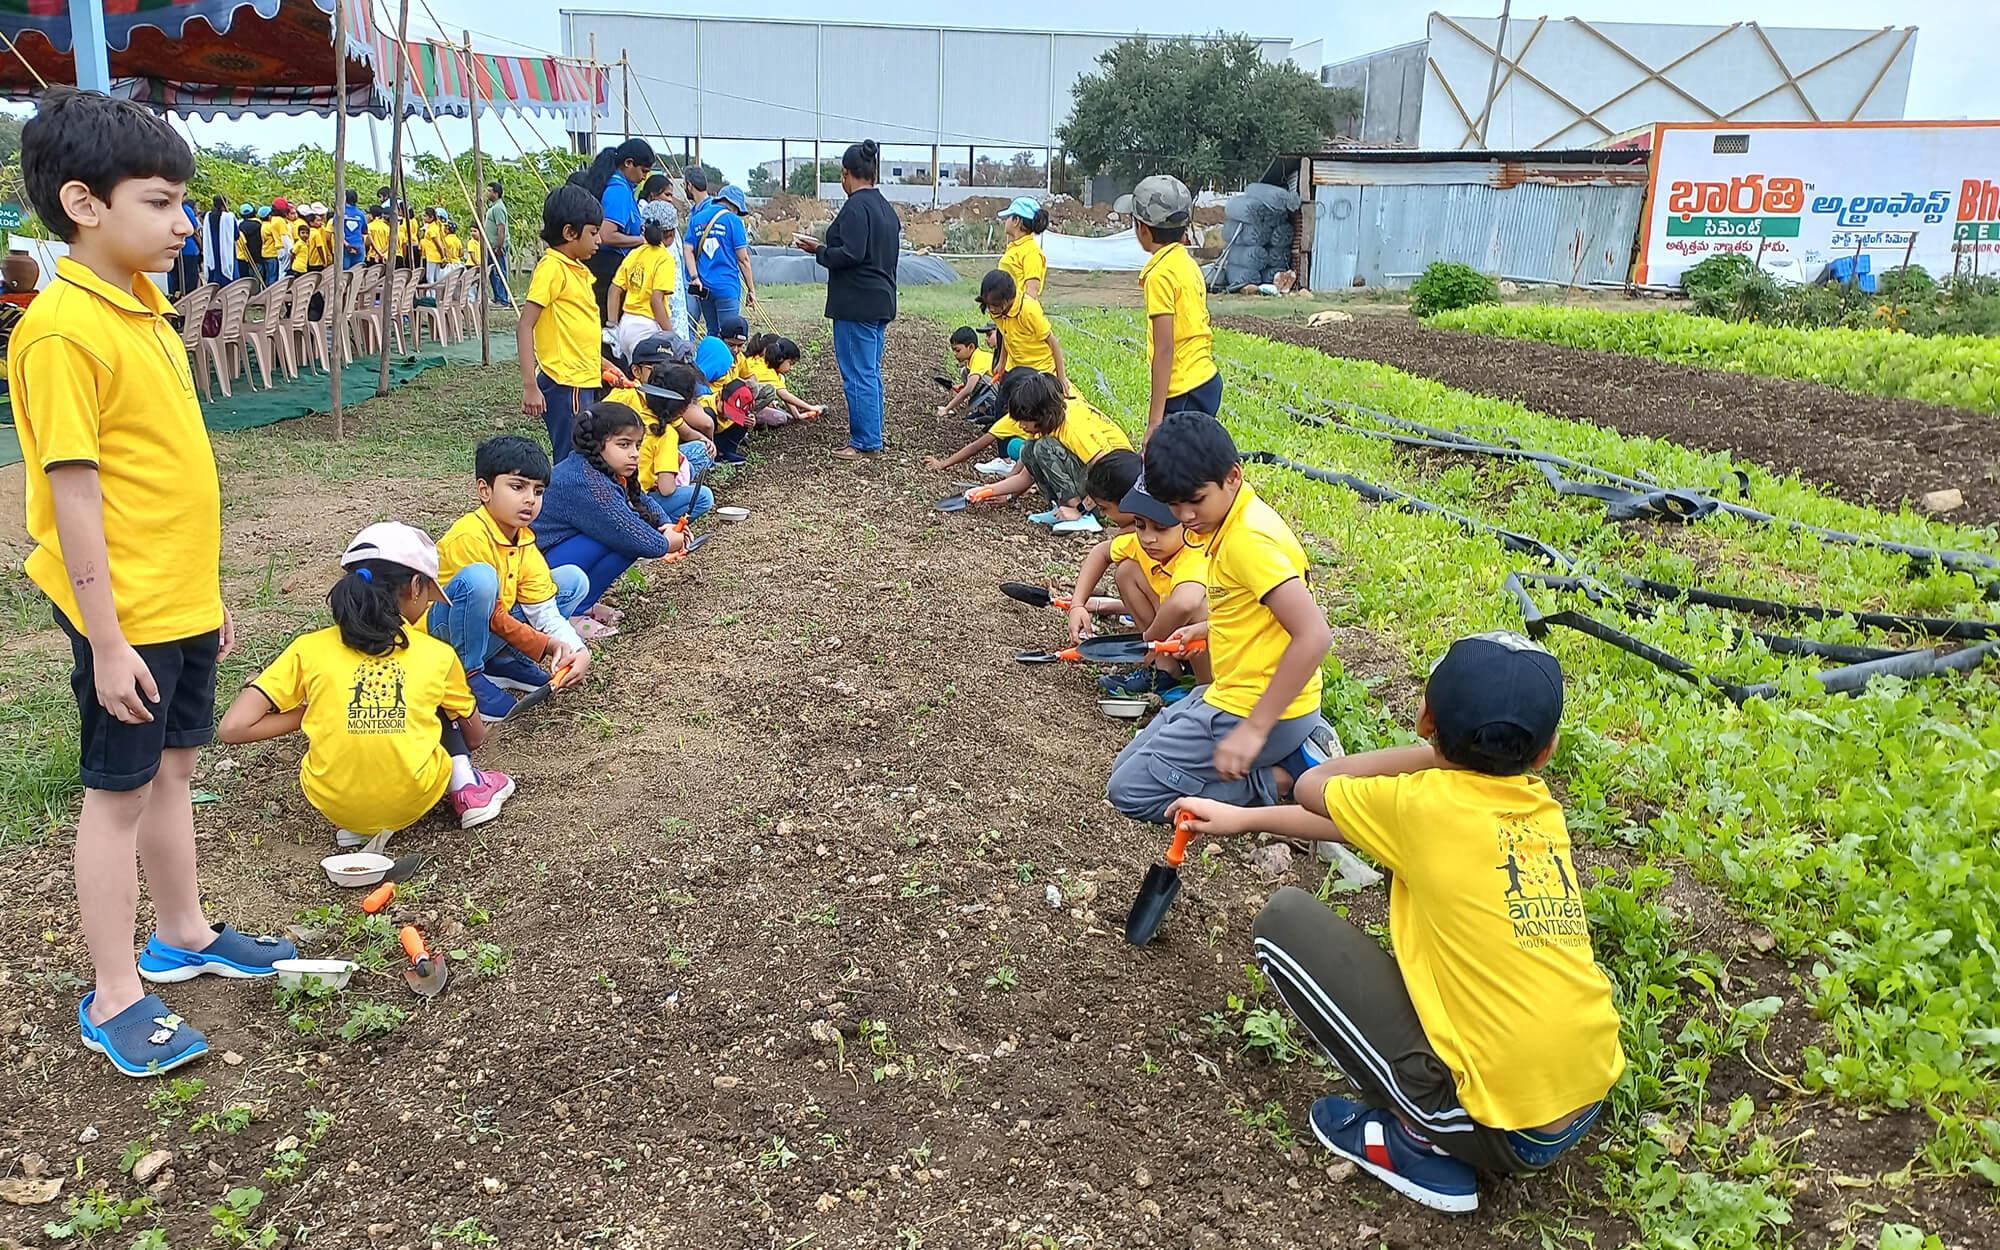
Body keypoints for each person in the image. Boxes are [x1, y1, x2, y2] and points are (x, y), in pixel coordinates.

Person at [13, 88, 297, 1077]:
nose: (185, 224)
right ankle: (115, 989)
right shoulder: (60, 332)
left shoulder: (146, 308)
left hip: (173, 598)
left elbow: (169, 475)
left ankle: (182, 930)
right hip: (120, 612)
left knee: (174, 768)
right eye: (162, 202)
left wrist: (205, 588)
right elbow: (75, 498)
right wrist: (110, 638)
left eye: (184, 203)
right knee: (117, 794)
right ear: (84, 203)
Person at [1170, 633, 1624, 1214]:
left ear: (1425, 718)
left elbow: (1317, 785)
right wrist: (1245, 818)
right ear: (1545, 752)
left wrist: (1430, 750)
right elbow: (1369, 826)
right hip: (1584, 1092)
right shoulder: (1538, 809)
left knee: (1283, 920)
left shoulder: (1422, 806)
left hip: (1505, 1130)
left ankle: (1416, 1140)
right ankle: (1449, 1118)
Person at [218, 523, 516, 847]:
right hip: (414, 798)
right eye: (429, 595)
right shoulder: (437, 655)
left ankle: (363, 821)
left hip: (337, 807)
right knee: (438, 704)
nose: (428, 604)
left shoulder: (308, 649)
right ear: (415, 587)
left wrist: (314, 711)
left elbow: (233, 728)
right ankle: (468, 786)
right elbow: (474, 737)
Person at [1106, 412, 1335, 821]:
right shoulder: (1233, 519)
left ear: (1232, 476)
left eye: (1195, 501)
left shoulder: (1247, 541)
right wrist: (1207, 629)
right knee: (1125, 767)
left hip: (1258, 708)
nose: (1187, 516)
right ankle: (1282, 754)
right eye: (1176, 505)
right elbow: (1258, 613)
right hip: (1233, 692)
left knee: (1128, 793)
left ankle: (1281, 778)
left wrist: (1254, 730)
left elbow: (1314, 635)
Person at [429, 436, 592, 721]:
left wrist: (577, 650)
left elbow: (544, 610)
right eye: (517, 487)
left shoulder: (523, 540)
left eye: (538, 491)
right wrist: (546, 645)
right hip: (443, 637)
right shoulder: (469, 535)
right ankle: (467, 674)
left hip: (485, 629)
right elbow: (493, 616)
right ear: (485, 490)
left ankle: (501, 660)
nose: (530, 499)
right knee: (480, 580)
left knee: (571, 581)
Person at [1068, 456, 1209, 698]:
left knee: (1197, 609)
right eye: (1140, 524)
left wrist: (1148, 639)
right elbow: (1101, 553)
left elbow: (1185, 602)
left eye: (1161, 528)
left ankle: (1205, 693)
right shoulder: (1142, 543)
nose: (1148, 537)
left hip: (1219, 648)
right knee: (1127, 572)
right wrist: (1077, 604)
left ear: (1188, 523)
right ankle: (1165, 668)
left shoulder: (1194, 551)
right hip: (1177, 640)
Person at [536, 403, 691, 621]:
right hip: (534, 567)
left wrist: (666, 524)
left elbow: (641, 499)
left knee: (625, 536)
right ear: (598, 443)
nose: (634, 454)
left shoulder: (601, 468)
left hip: (558, 553)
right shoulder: (585, 480)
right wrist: (667, 543)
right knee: (621, 538)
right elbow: (631, 532)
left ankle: (583, 604)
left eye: (637, 445)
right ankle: (573, 613)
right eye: (624, 444)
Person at [796, 139, 898, 460]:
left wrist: (819, 251)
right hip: (880, 299)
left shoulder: (856, 206)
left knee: (858, 372)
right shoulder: (885, 208)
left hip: (856, 302)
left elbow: (853, 253)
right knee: (870, 371)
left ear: (846, 174)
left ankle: (865, 440)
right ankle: (873, 433)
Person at [972, 370, 1128, 534]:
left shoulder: (1073, 426)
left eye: (1024, 420)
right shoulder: (1050, 422)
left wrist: (1081, 509)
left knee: (1043, 447)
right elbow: (1024, 477)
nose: (1021, 426)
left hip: (1114, 489)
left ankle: (1083, 516)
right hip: (1097, 482)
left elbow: (1106, 470)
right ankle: (1063, 509)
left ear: (1040, 414)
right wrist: (987, 490)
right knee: (1028, 449)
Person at [518, 183, 604, 461]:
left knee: (582, 453)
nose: (599, 241)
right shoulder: (552, 268)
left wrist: (603, 364)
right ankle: (561, 503)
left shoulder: (577, 269)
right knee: (572, 456)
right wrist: (531, 385)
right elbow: (525, 325)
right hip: (566, 382)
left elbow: (577, 329)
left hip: (582, 378)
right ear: (569, 232)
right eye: (593, 233)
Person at [1134, 174, 1221, 433]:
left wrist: (1154, 423)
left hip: (1183, 391)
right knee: (1195, 464)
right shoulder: (1186, 263)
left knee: (1170, 468)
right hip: (1205, 379)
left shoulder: (1159, 275)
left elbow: (1164, 350)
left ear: (1143, 229)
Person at [574, 138, 654, 319]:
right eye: (643, 171)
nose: (644, 177)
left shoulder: (624, 188)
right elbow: (606, 234)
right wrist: (641, 240)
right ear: (628, 163)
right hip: (607, 268)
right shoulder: (618, 190)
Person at [634, 375, 717, 524]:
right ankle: (661, 527)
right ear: (683, 408)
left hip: (626, 491)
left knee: (689, 465)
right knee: (704, 496)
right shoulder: (666, 434)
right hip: (640, 499)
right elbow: (666, 489)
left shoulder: (640, 415)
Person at [608, 199, 679, 363]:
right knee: (650, 379)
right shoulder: (665, 259)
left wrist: (612, 326)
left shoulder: (634, 253)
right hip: (646, 327)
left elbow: (614, 289)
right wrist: (672, 336)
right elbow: (656, 300)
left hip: (625, 324)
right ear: (671, 233)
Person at [977, 269, 1069, 396]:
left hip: (1038, 371)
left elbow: (1053, 342)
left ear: (1008, 299)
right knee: (1002, 405)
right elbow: (1005, 334)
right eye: (988, 305)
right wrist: (1002, 363)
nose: (991, 309)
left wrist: (1061, 378)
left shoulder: (1028, 311)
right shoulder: (997, 312)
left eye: (995, 305)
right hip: (1015, 368)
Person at [684, 183, 754, 338]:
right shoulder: (734, 221)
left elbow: (687, 249)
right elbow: (743, 259)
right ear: (735, 205)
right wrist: (751, 289)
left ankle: (712, 361)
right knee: (730, 335)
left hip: (704, 288)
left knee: (713, 332)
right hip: (726, 287)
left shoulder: (697, 218)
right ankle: (726, 363)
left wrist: (694, 277)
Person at [937, 324, 994, 419]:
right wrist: (963, 386)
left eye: (957, 350)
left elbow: (969, 390)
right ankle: (982, 411)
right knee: (965, 372)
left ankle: (991, 411)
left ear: (971, 347)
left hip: (1002, 394)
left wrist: (947, 409)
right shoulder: (971, 362)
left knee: (975, 378)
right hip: (995, 388)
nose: (955, 354)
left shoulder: (979, 358)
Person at [997, 196, 1049, 300]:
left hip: (1020, 315)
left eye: (1008, 217)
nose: (1005, 221)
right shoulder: (1016, 248)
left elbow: (1031, 293)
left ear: (1016, 220)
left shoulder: (1032, 252)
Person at [483, 179, 511, 306]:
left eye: (489, 191)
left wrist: (499, 246)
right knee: (493, 272)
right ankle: (498, 297)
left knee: (499, 272)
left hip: (496, 246)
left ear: (496, 193)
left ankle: (503, 299)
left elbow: (501, 228)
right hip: (491, 246)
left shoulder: (499, 208)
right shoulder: (493, 207)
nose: (487, 193)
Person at [199, 195, 237, 286]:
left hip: (212, 249)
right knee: (228, 271)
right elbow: (236, 235)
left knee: (214, 272)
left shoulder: (208, 216)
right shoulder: (229, 217)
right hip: (227, 250)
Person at [173, 197, 201, 293]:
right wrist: (201, 246)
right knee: (191, 278)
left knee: (177, 278)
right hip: (189, 249)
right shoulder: (186, 209)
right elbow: (195, 230)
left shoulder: (171, 208)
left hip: (175, 250)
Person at [234, 205, 262, 287]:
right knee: (258, 278)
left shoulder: (240, 226)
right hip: (258, 256)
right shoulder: (259, 224)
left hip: (245, 258)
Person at [341, 189, 367, 270]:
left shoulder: (340, 213)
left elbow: (337, 232)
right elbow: (364, 231)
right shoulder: (361, 214)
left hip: (345, 248)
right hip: (358, 246)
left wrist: (347, 245)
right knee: (357, 273)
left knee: (344, 275)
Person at [419, 206, 445, 284]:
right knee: (436, 278)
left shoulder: (432, 229)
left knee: (430, 278)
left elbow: (438, 243)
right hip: (435, 256)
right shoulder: (433, 227)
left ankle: (432, 295)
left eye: (425, 216)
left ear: (431, 217)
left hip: (432, 256)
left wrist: (443, 256)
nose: (423, 218)